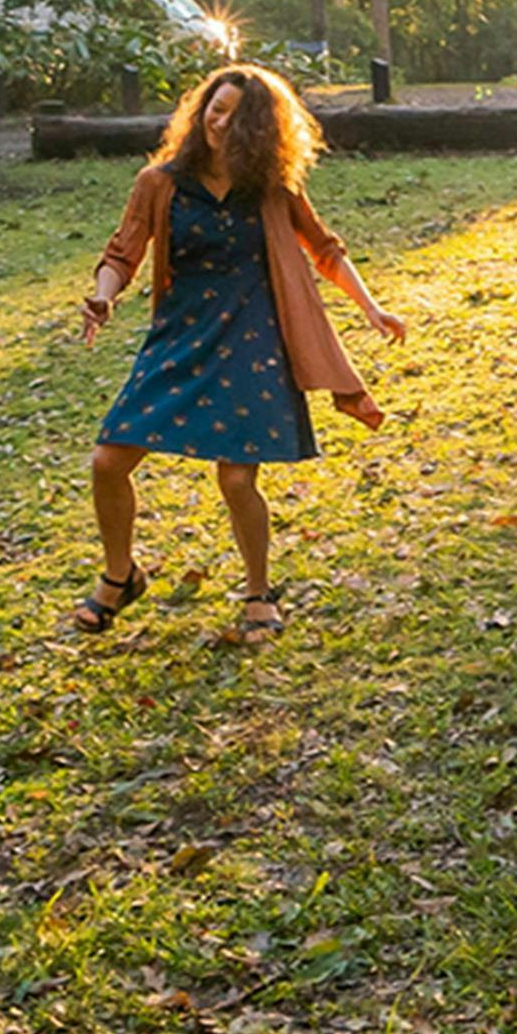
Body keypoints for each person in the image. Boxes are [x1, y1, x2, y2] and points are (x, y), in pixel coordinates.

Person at [75, 64, 406, 642]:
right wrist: (102, 297)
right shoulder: (159, 182)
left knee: (235, 480)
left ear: (260, 129)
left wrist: (372, 309)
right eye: (214, 109)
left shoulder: (274, 189)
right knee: (109, 460)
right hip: (179, 337)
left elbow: (325, 250)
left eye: (234, 116)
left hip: (254, 338)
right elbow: (122, 252)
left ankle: (258, 591)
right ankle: (120, 575)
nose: (219, 123)